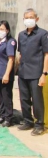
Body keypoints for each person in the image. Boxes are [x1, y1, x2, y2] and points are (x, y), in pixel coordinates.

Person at [17, 8, 48, 136]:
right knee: (24, 99)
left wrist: (44, 74)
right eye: (26, 17)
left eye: (31, 17)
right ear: (24, 20)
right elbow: (20, 54)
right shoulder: (21, 35)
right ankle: (27, 121)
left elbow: (47, 54)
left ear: (37, 19)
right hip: (23, 72)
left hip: (36, 73)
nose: (29, 19)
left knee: (37, 100)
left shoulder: (43, 33)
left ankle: (39, 124)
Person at [0, 20, 16, 127]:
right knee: (0, 96)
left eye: (2, 29)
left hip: (5, 73)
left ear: (7, 30)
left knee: (6, 96)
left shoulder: (10, 42)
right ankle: (2, 115)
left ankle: (8, 118)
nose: (0, 31)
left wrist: (6, 74)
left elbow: (11, 59)